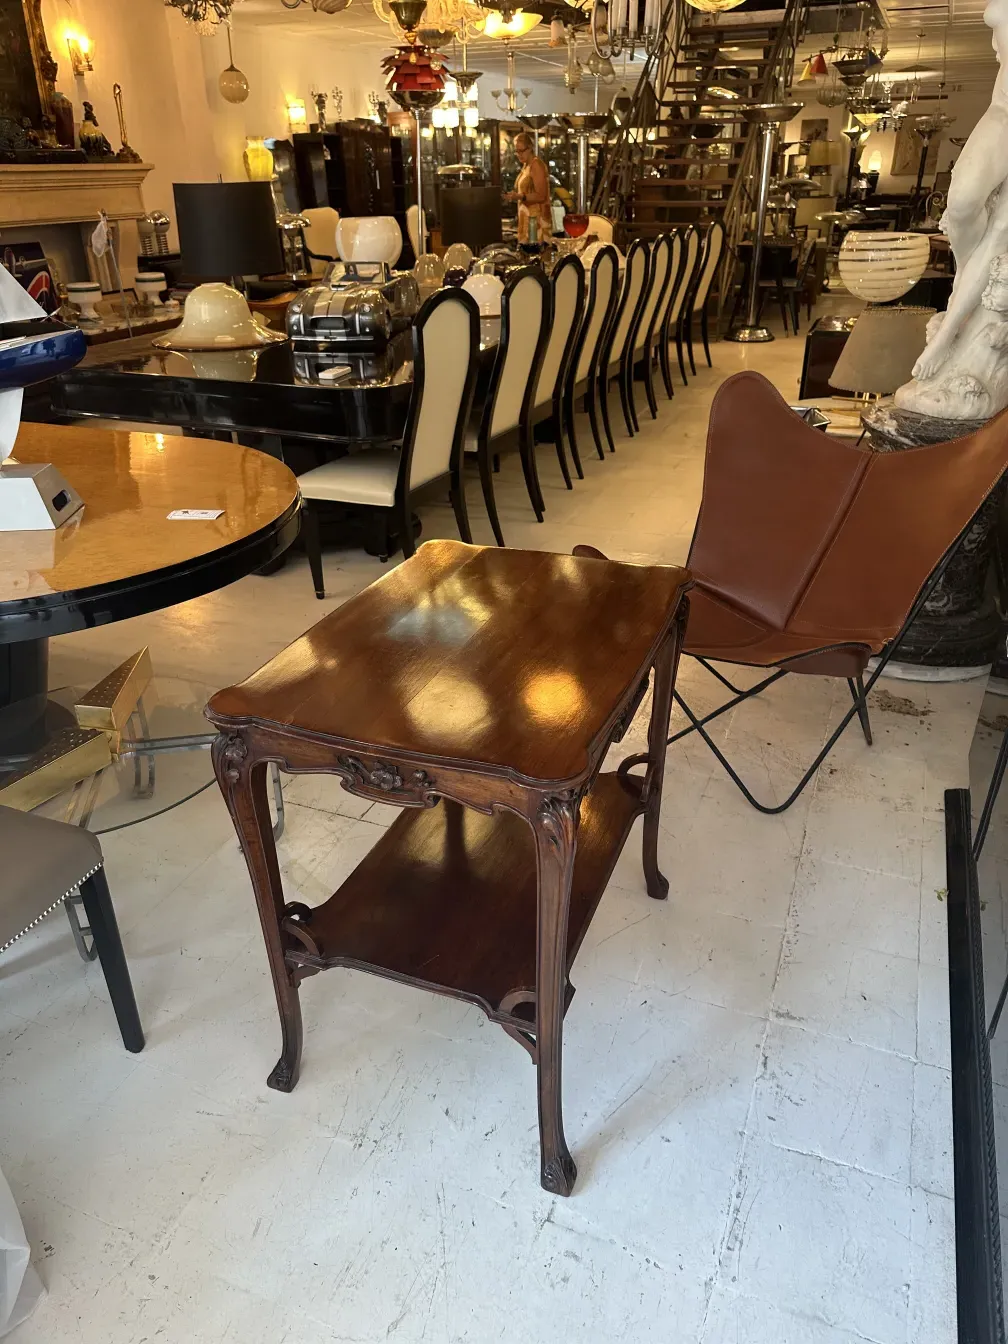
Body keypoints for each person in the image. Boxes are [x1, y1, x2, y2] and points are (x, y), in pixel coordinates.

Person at [505, 132, 553, 244]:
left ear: (530, 148)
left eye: (522, 151)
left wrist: (520, 196)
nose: (519, 154)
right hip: (527, 219)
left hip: (536, 222)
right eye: (517, 151)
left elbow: (541, 195)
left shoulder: (536, 165)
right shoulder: (526, 165)